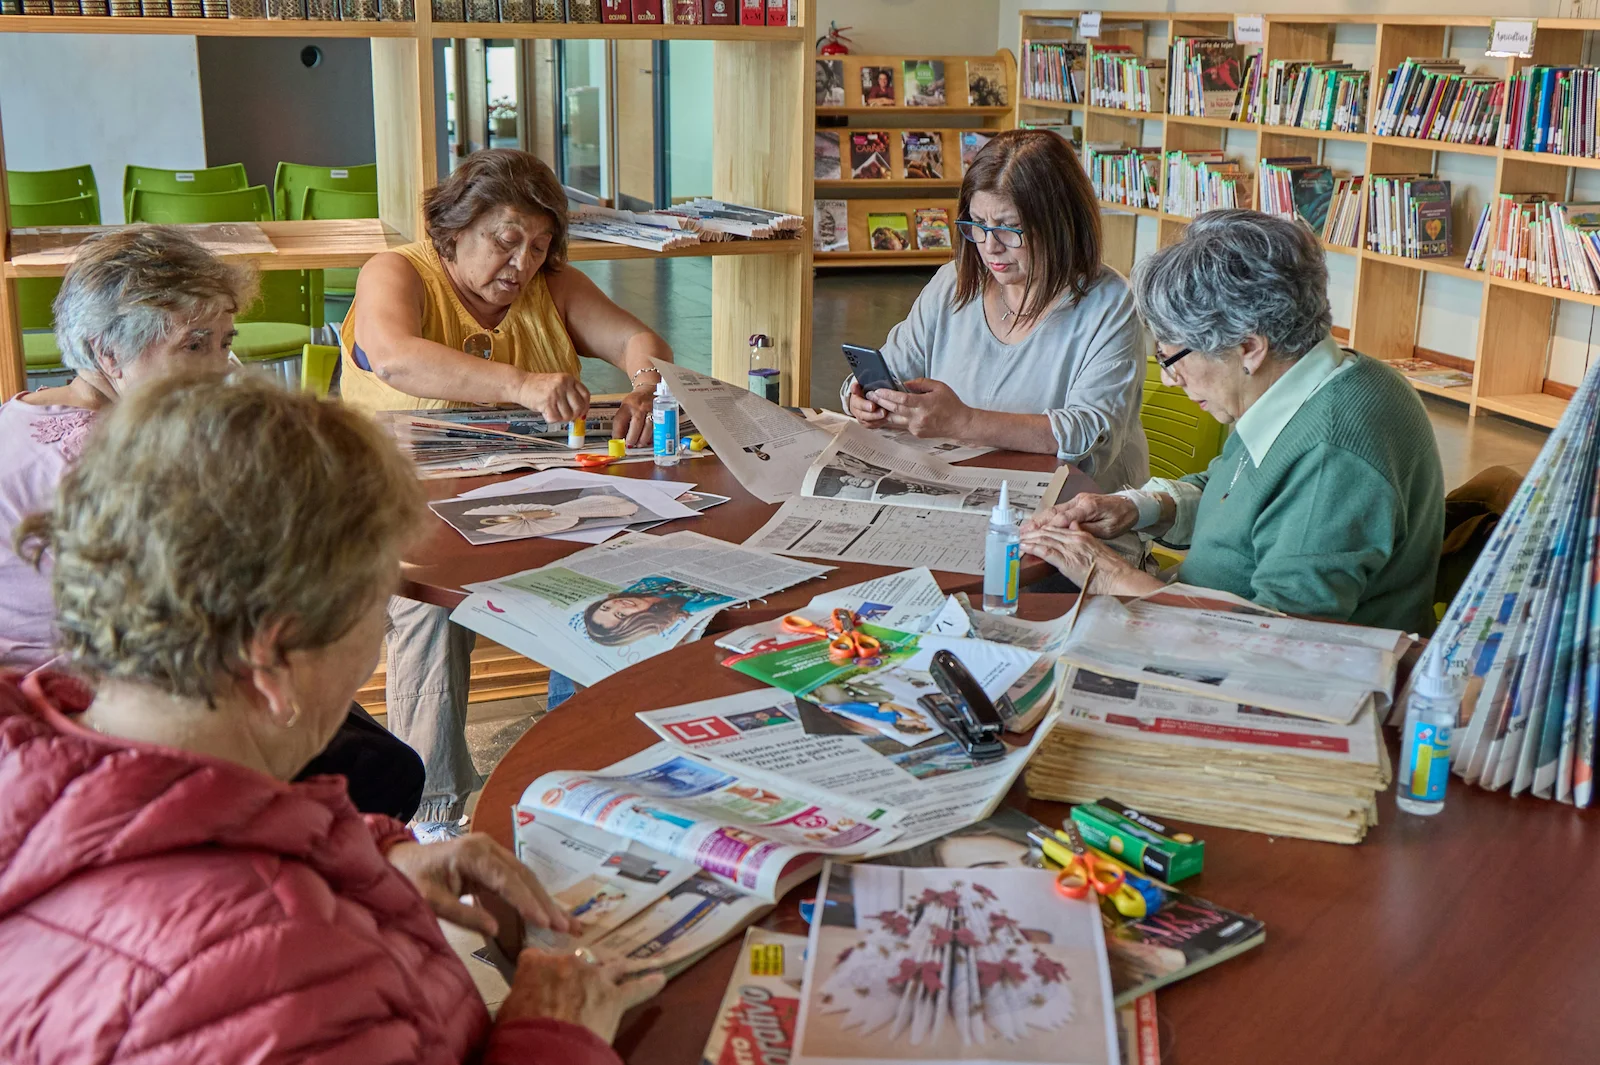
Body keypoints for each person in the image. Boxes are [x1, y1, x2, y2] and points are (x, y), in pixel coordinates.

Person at [1, 372, 662, 1062]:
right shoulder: (274, 986)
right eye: (375, 611)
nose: (377, 648)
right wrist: (552, 1035)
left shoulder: (44, 755)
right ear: (273, 659)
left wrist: (370, 858)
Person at [0, 226, 425, 819]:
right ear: (108, 354)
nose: (221, 368)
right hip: (92, 700)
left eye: (224, 341)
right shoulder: (101, 456)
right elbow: (203, 606)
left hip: (75, 688)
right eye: (194, 345)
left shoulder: (26, 412)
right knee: (383, 767)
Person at [342, 148, 676, 837]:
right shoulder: (399, 271)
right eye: (505, 240)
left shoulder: (550, 288)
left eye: (540, 245)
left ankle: (580, 765)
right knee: (431, 598)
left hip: (529, 498)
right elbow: (395, 353)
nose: (522, 263)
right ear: (453, 229)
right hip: (403, 503)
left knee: (625, 563)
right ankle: (428, 812)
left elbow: (638, 339)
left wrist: (647, 384)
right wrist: (521, 384)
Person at [1022, 210, 1445, 632]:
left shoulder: (1331, 460)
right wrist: (1136, 507)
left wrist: (1109, 575)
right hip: (1198, 616)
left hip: (1253, 665)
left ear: (1249, 348)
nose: (1169, 381)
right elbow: (1237, 489)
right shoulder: (1313, 381)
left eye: (1172, 359)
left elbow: (1274, 637)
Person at [843, 129, 1149, 493]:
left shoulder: (1110, 303)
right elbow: (892, 369)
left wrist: (964, 422)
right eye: (977, 224)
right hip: (964, 489)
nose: (989, 247)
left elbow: (1087, 432)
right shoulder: (953, 282)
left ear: (1060, 224)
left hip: (1073, 511)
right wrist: (860, 397)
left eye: (1009, 228)